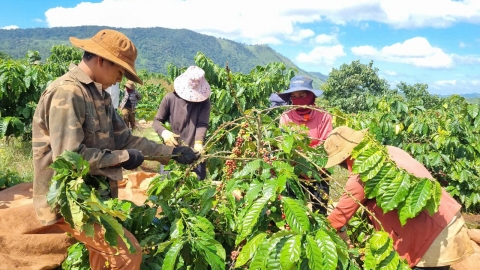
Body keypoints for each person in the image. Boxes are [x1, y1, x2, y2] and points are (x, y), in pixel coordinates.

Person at [32, 29, 200, 270]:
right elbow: (68, 160)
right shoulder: (68, 92)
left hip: (94, 195)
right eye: (120, 70)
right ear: (101, 60)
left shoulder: (99, 95)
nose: (122, 78)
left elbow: (125, 140)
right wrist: (123, 158)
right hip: (69, 200)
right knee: (126, 256)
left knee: (106, 257)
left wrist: (171, 153)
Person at [324, 126, 473, 269]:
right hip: (449, 218)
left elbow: (337, 219)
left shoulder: (361, 174)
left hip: (431, 238)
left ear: (345, 158)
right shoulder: (390, 150)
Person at [277, 75, 333, 214]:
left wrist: (312, 166)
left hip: (319, 170)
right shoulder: (286, 117)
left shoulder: (323, 116)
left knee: (320, 210)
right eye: (294, 96)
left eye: (302, 95)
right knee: (295, 210)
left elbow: (325, 144)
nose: (298, 99)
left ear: (311, 96)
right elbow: (284, 144)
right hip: (294, 170)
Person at [153, 65, 211, 180]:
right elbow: (156, 121)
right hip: (172, 152)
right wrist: (165, 133)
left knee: (195, 191)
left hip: (195, 153)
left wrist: (199, 142)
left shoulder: (204, 102)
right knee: (167, 188)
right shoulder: (170, 98)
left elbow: (202, 124)